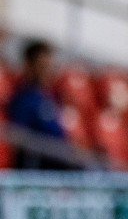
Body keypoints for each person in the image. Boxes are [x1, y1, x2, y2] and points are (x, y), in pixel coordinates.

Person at [6, 40, 77, 170]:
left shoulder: (54, 97)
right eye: (42, 66)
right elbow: (21, 140)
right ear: (29, 65)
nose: (47, 71)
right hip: (40, 169)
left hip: (59, 164)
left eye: (50, 66)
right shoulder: (23, 100)